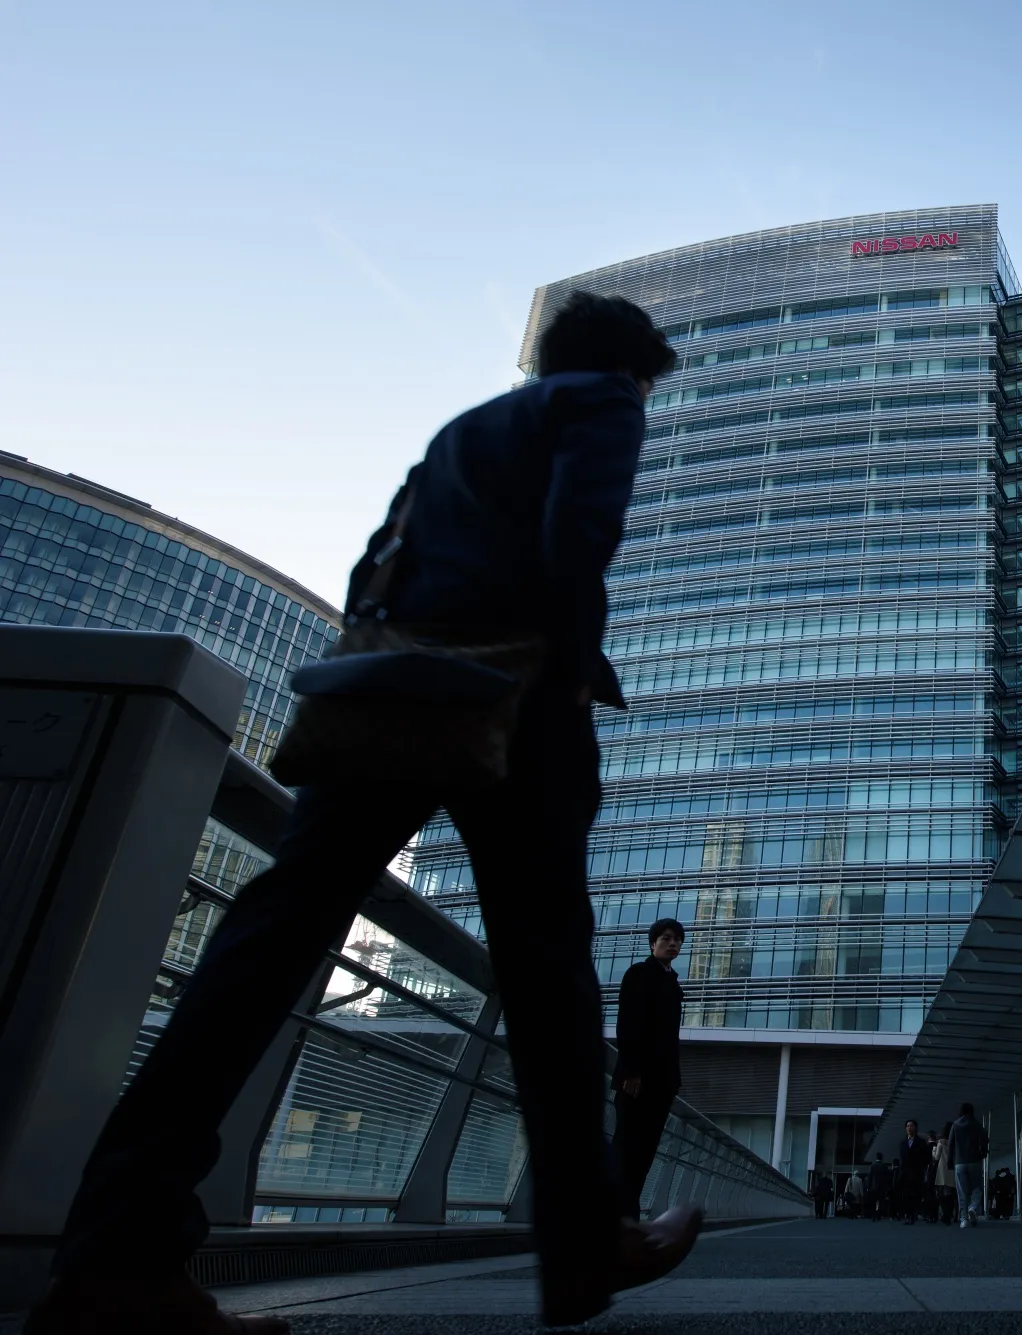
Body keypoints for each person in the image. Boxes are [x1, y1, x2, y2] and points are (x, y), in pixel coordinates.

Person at [26, 292, 686, 1335]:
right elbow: (577, 539)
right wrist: (563, 685)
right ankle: (581, 1245)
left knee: (266, 942)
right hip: (510, 695)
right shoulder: (600, 402)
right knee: (547, 970)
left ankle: (117, 1255)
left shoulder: (464, 429)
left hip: (380, 694)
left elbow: (373, 564)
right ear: (628, 366)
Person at [613, 918, 686, 1219]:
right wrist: (632, 1071)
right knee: (626, 1146)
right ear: (652, 943)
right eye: (666, 938)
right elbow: (628, 1023)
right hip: (637, 1078)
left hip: (662, 1081)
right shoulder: (639, 974)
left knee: (645, 1150)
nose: (673, 943)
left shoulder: (673, 983)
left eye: (678, 940)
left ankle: (628, 1214)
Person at [948, 1103, 988, 1227]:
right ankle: (973, 1207)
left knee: (962, 1191)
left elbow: (951, 1145)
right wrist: (982, 1154)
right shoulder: (977, 1124)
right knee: (977, 1188)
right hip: (974, 1161)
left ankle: (963, 1219)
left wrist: (950, 1162)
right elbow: (984, 1141)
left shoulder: (955, 1124)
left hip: (959, 1162)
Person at [895, 1120, 930, 1224]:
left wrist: (921, 1168)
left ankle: (913, 1214)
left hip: (917, 1172)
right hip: (905, 1173)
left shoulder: (921, 1142)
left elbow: (926, 1157)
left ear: (915, 1128)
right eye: (907, 1126)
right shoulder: (902, 1143)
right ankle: (908, 1215)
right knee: (906, 1195)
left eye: (911, 1126)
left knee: (916, 1195)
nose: (909, 1128)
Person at [866, 1152, 893, 1221]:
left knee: (873, 1201)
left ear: (876, 1158)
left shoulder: (873, 1166)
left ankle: (873, 1216)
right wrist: (887, 1187)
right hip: (882, 1187)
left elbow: (870, 1177)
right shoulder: (884, 1166)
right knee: (881, 1202)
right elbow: (887, 1178)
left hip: (873, 1187)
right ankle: (879, 1215)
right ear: (882, 1158)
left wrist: (868, 1187)